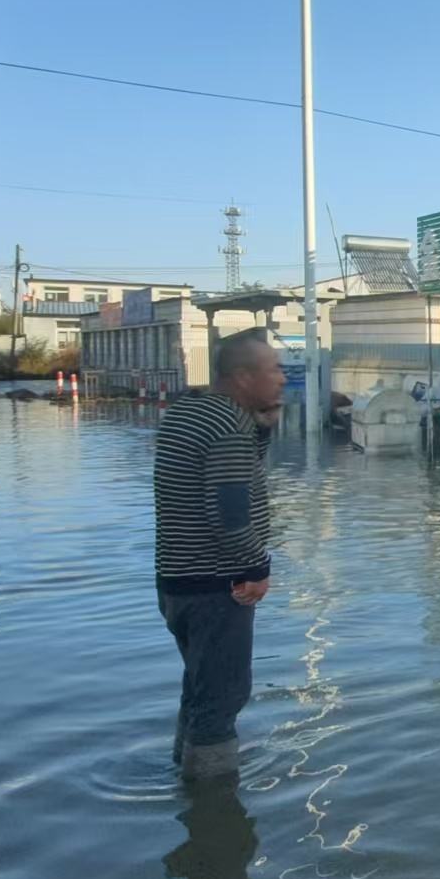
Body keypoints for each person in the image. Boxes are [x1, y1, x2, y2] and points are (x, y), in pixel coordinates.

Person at [153, 332, 285, 779]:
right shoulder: (228, 427)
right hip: (218, 583)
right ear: (244, 377)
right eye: (274, 370)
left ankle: (183, 775)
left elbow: (237, 471)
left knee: (199, 688)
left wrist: (263, 429)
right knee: (222, 698)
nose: (283, 379)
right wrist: (257, 568)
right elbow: (229, 514)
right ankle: (214, 811)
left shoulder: (190, 412)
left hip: (177, 580)